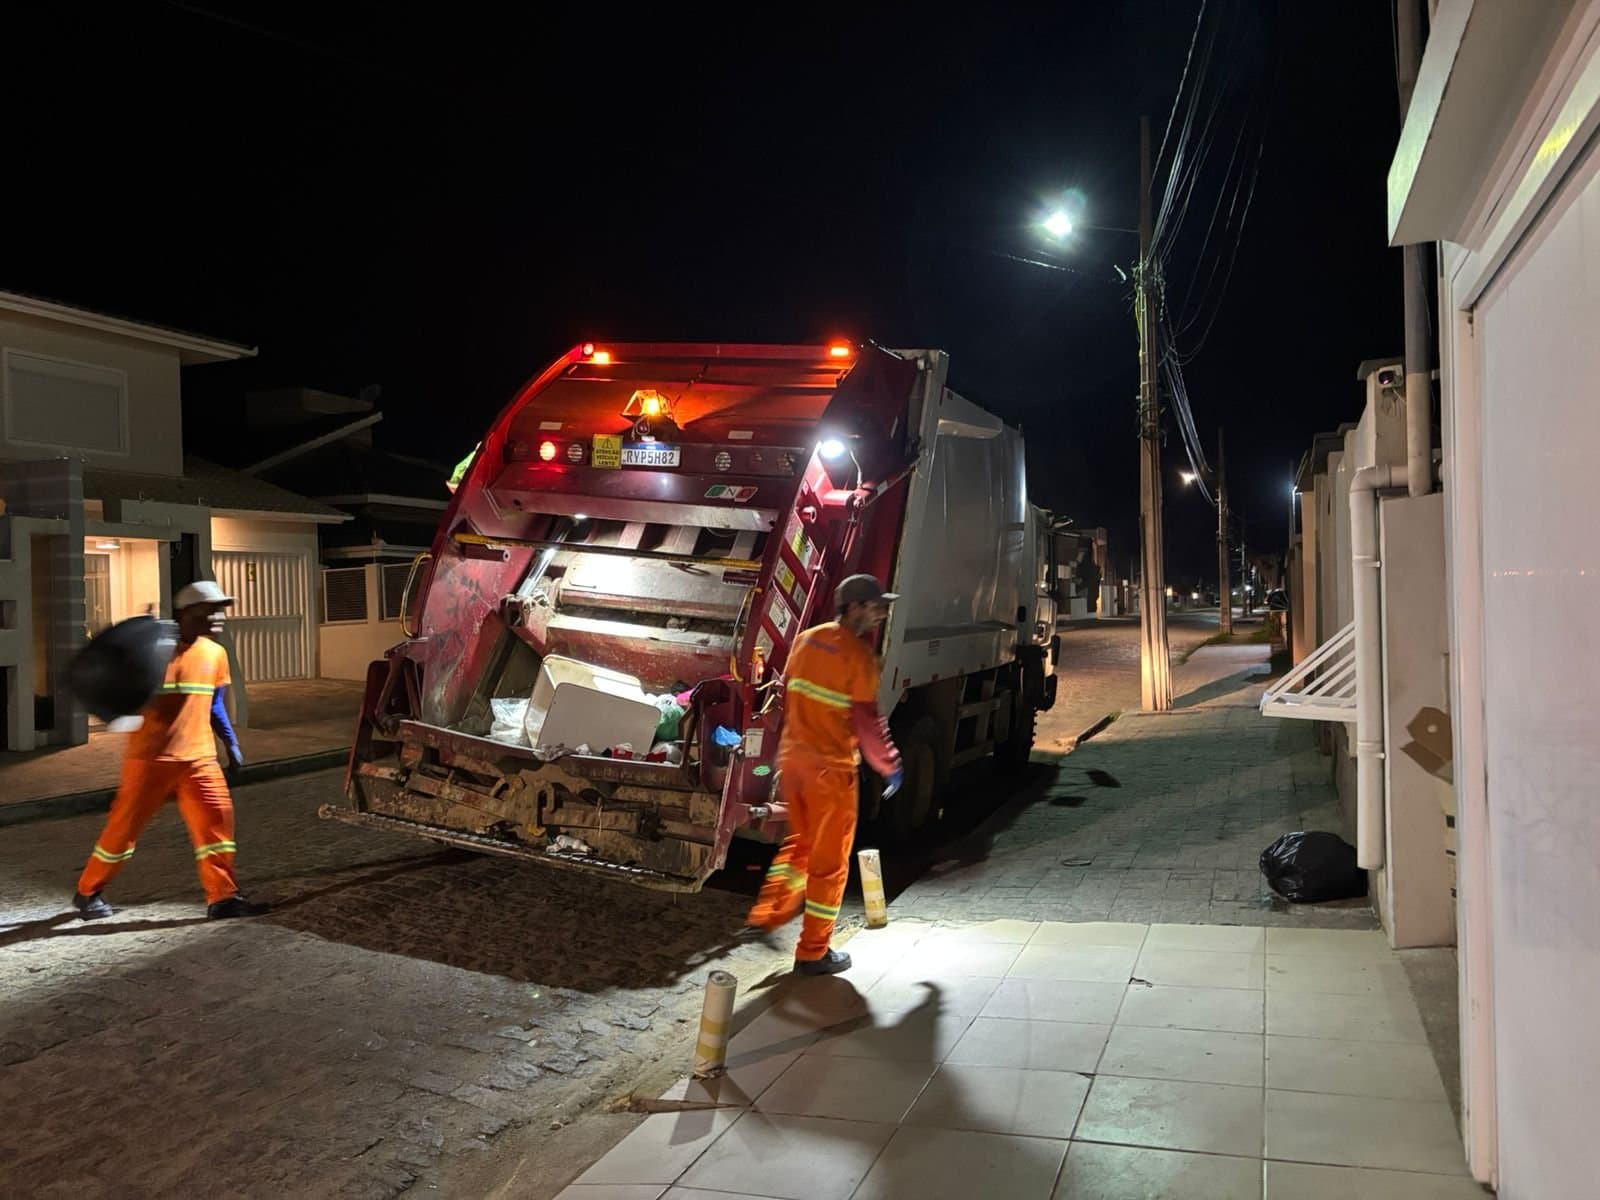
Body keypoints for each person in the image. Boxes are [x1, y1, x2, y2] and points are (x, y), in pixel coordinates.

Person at [72, 581, 268, 921]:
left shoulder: (214, 653)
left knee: (217, 830)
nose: (219, 616)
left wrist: (230, 742)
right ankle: (89, 891)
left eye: (221, 609)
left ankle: (223, 898)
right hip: (151, 759)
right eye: (211, 610)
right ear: (188, 613)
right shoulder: (153, 651)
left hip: (200, 760)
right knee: (122, 831)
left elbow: (214, 705)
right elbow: (119, 689)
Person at [746, 574, 903, 975]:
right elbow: (868, 724)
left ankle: (767, 914)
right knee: (830, 863)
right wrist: (890, 766)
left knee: (799, 846)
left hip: (793, 763)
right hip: (830, 773)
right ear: (852, 607)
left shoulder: (806, 638)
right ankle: (814, 952)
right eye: (875, 605)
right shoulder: (859, 657)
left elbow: (787, 694)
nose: (881, 613)